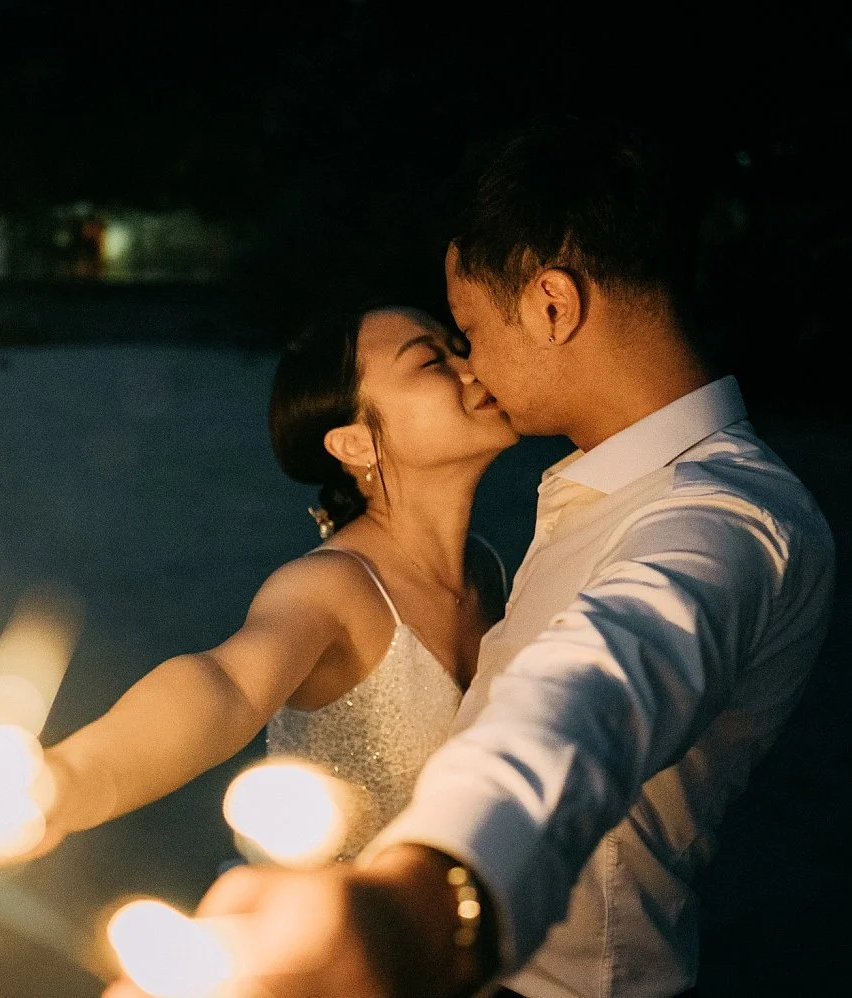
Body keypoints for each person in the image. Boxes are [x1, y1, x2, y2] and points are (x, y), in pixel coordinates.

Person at [105, 117, 837, 998]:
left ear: (554, 305)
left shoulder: (722, 520)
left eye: (467, 327)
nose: (473, 362)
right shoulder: (579, 505)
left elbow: (589, 696)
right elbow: (225, 683)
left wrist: (421, 911)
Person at [36, 303, 518, 861]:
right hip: (321, 931)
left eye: (459, 348)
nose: (472, 366)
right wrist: (73, 777)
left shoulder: (487, 567)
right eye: (433, 361)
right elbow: (226, 685)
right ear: (356, 444)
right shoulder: (332, 587)